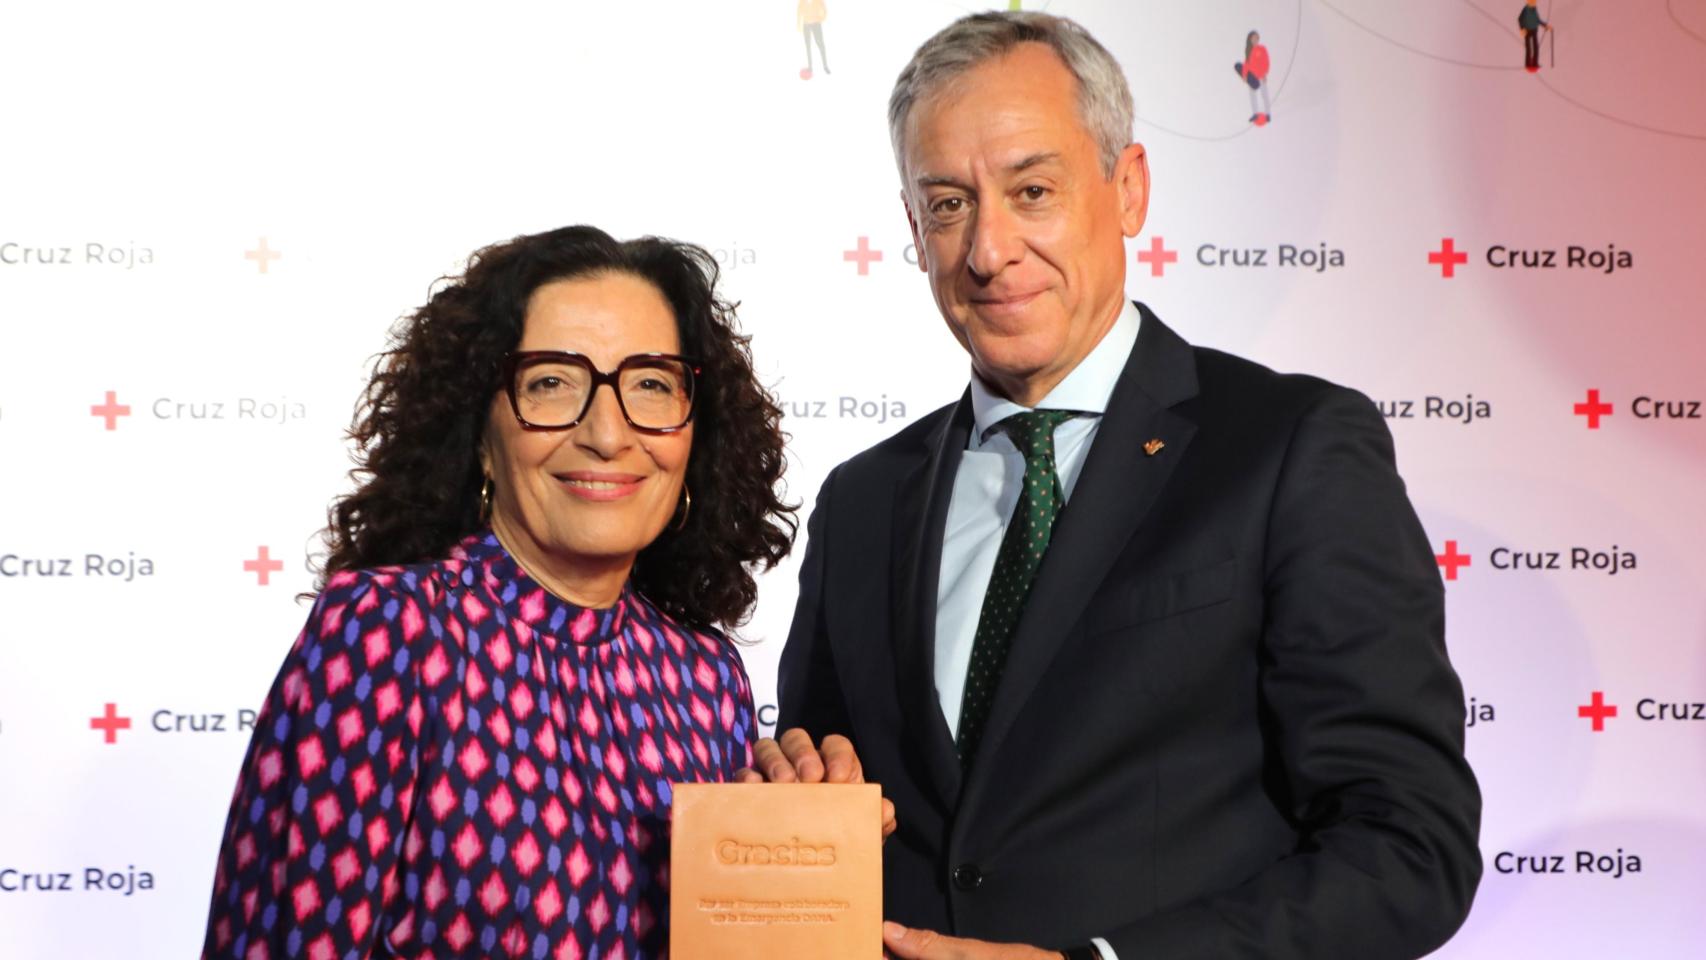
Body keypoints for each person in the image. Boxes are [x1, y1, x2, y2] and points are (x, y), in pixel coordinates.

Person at [769, 12, 1482, 960]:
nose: (989, 250)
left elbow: (1409, 848)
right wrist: (798, 811)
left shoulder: (1289, 449)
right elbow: (823, 804)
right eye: (947, 205)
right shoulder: (862, 502)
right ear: (914, 226)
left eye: (1032, 190)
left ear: (1129, 188)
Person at [200, 226, 800, 959]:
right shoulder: (391, 633)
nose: (608, 434)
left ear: (694, 432)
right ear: (481, 431)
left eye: (650, 383)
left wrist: (811, 857)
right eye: (551, 383)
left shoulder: (705, 679)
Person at [1236, 29, 1272, 123]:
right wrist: (1244, 75)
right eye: (1254, 38)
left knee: (1264, 95)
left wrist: (1265, 74)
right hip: (1252, 77)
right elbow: (1246, 64)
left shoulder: (1262, 48)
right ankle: (1255, 114)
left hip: (1261, 76)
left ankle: (1268, 114)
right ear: (1250, 39)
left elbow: (1266, 62)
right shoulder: (1248, 51)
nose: (1255, 39)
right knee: (1252, 96)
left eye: (1257, 38)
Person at [799, 0, 830, 78]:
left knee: (821, 45)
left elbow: (825, 9)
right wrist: (799, 25)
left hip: (816, 24)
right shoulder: (802, 1)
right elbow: (799, 11)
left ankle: (825, 66)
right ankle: (810, 67)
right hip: (806, 25)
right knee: (808, 46)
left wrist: (821, 19)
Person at [1519, 1, 1550, 72]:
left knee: (1536, 47)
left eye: (1534, 2)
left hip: (1534, 30)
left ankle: (1535, 63)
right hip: (1527, 30)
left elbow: (1537, 20)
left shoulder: (1534, 9)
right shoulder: (1525, 9)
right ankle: (1528, 64)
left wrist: (1545, 25)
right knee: (1529, 48)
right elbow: (1520, 19)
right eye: (1532, 2)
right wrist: (1522, 29)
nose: (1534, 3)